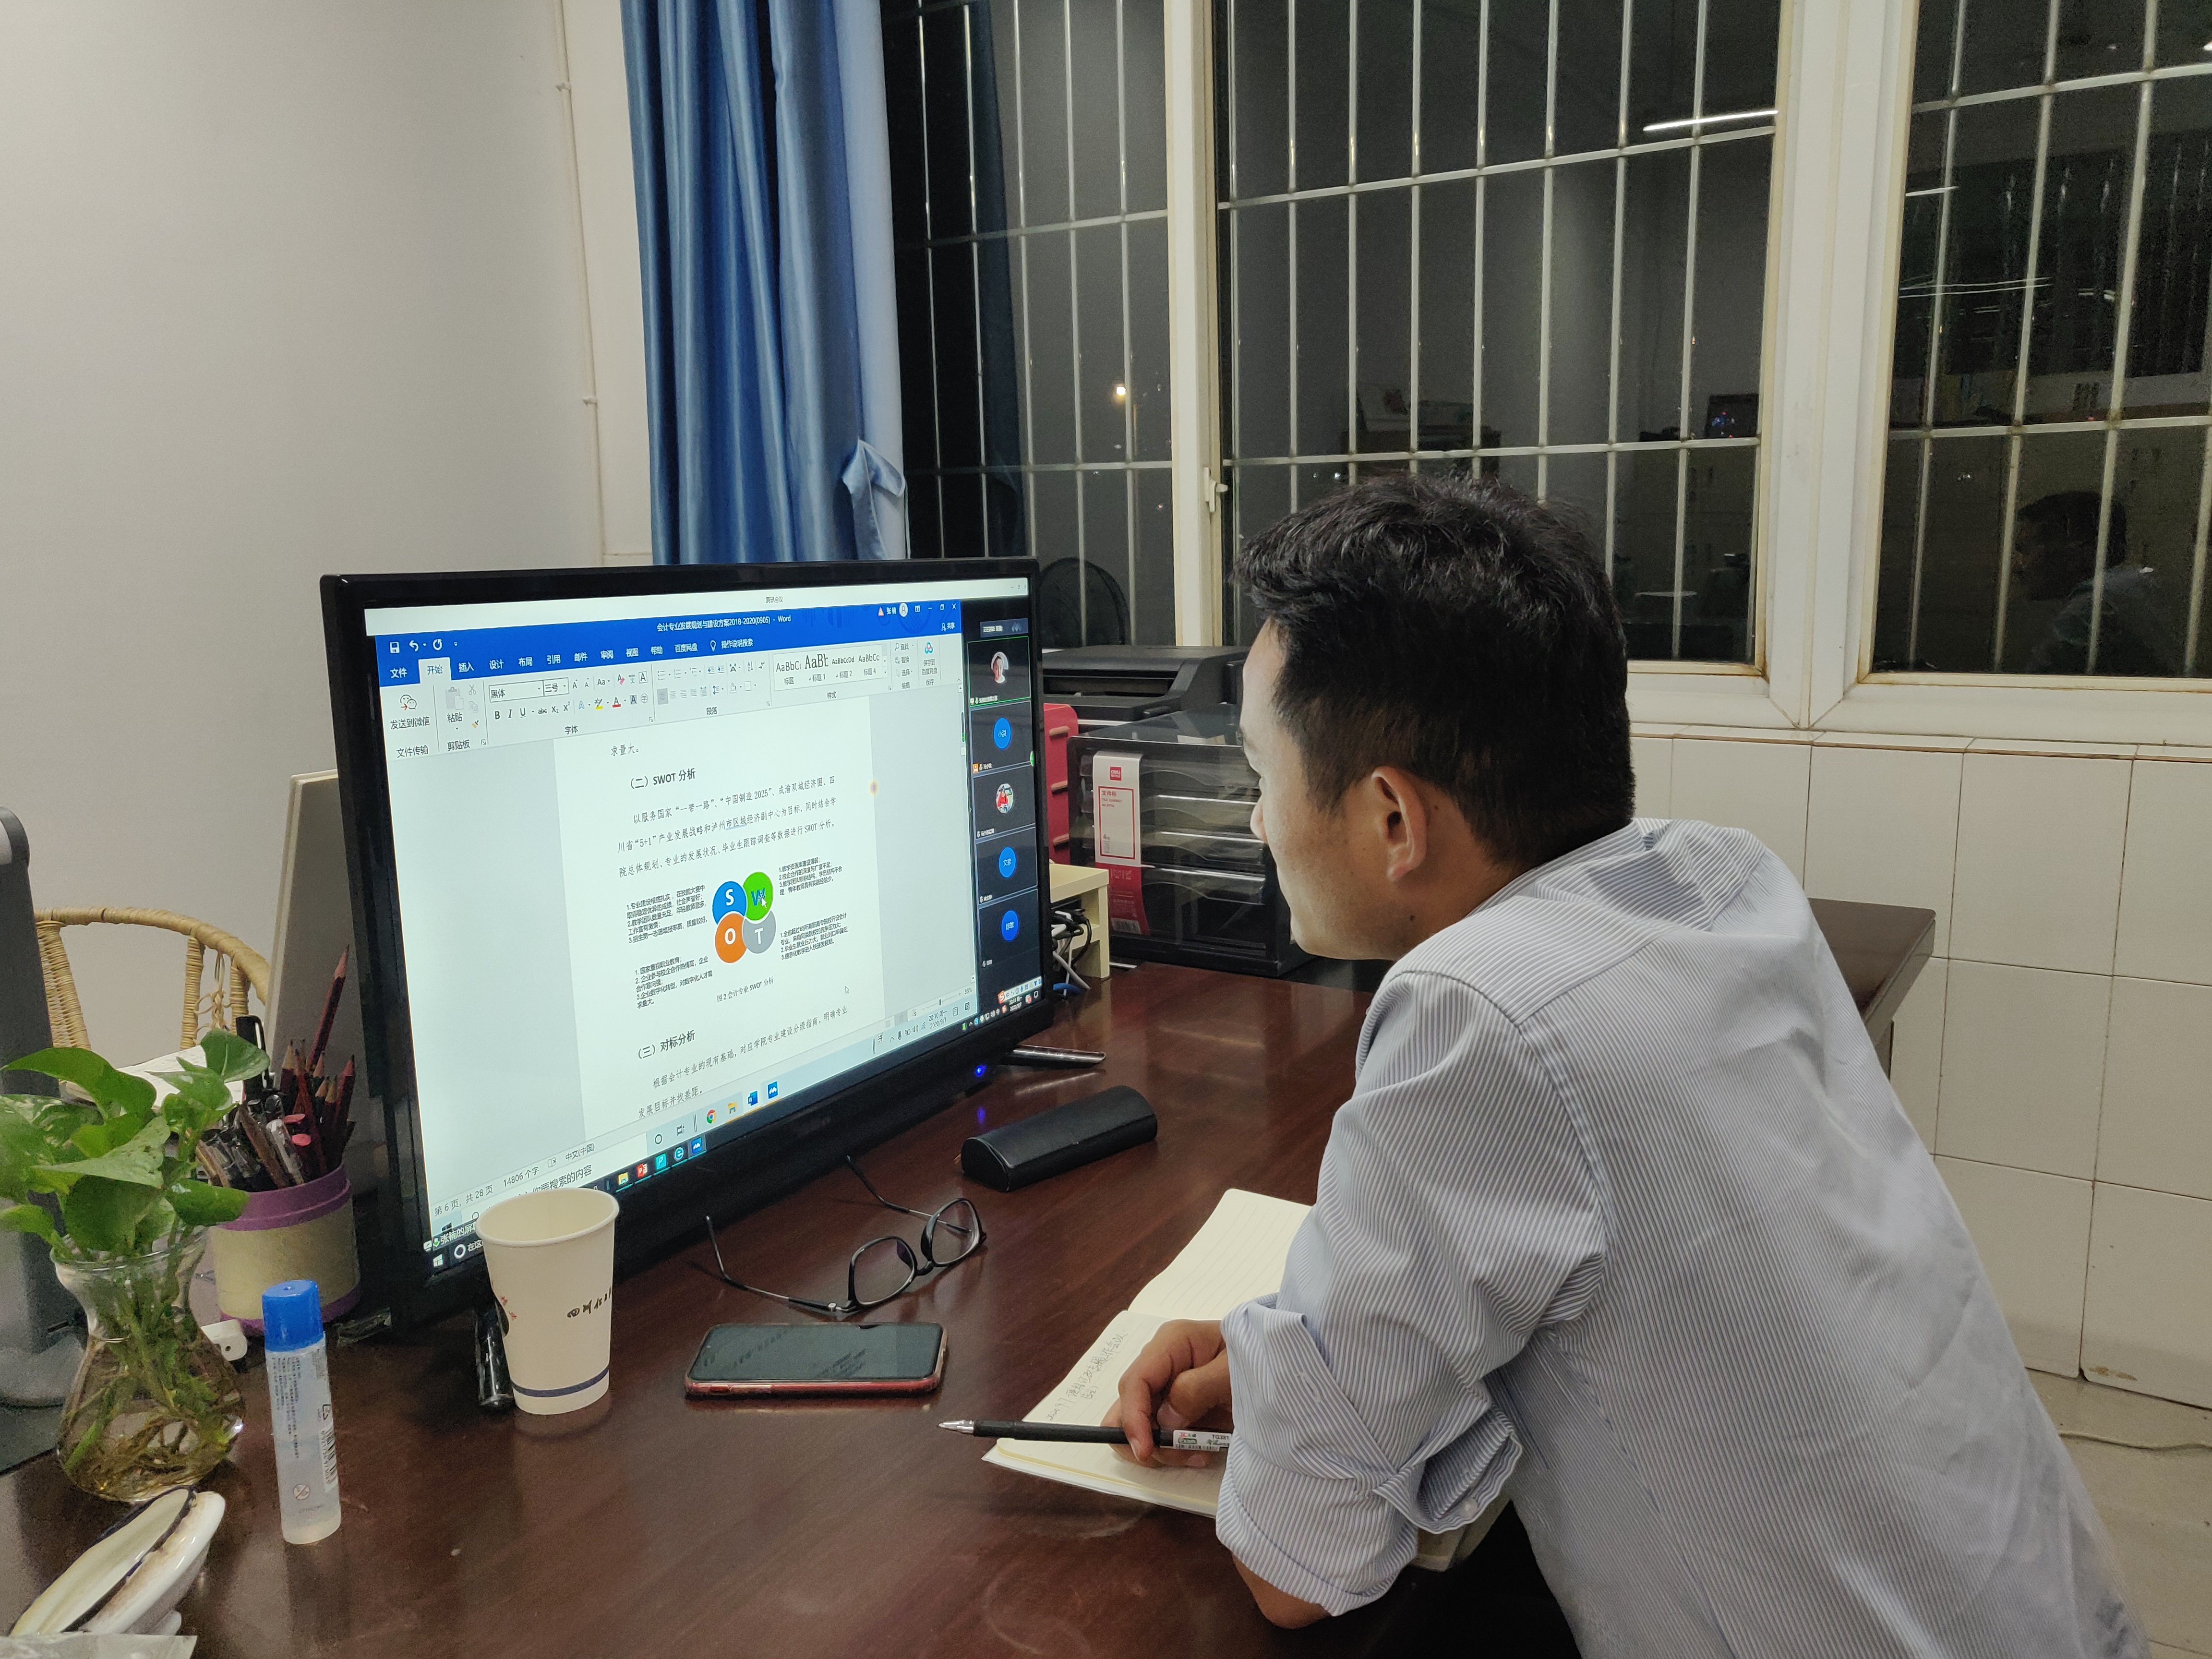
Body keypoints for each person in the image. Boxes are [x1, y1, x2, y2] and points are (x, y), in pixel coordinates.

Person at [1105, 475, 2143, 1656]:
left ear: (1393, 817)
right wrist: (1289, 1357)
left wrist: (1306, 1381)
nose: (1255, 822)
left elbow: (1298, 1567)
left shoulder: (1475, 1014)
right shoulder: (1725, 878)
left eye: (1261, 774)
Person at [2015, 491, 2185, 676]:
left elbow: (2035, 685)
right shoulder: (2134, 590)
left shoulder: (2091, 610)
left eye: (2026, 551)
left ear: (2077, 553)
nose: (2017, 567)